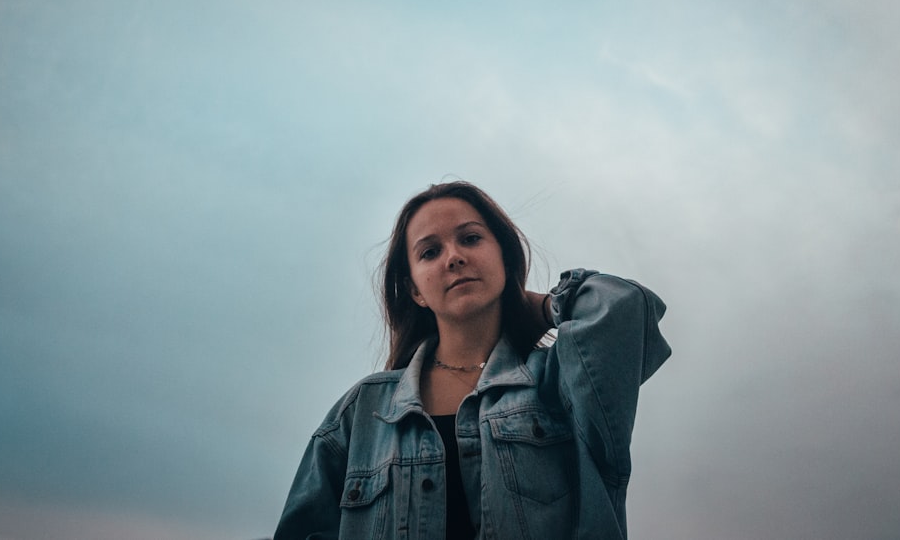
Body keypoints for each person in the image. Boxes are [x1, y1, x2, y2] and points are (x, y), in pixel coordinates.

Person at [273, 181, 671, 539]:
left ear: (505, 258)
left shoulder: (560, 381)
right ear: (415, 291)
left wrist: (546, 306)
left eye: (471, 239)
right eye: (430, 252)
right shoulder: (362, 413)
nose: (453, 257)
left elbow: (627, 311)